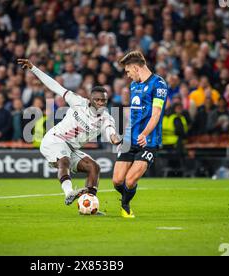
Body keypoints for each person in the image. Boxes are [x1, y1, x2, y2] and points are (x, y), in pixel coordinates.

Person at [18, 58, 122, 208]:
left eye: (103, 101)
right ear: (90, 99)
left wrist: (115, 138)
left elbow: (110, 131)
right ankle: (68, 193)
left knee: (94, 167)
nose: (100, 103)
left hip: (72, 148)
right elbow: (55, 86)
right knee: (64, 160)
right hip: (54, 139)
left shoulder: (106, 118)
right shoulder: (77, 101)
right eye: (97, 100)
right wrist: (33, 68)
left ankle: (89, 204)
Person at [112, 50, 168, 218]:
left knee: (130, 180)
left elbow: (156, 114)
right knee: (117, 181)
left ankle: (125, 205)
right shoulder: (134, 85)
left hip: (148, 141)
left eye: (128, 71)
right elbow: (135, 113)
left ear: (136, 68)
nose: (128, 76)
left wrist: (144, 133)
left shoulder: (159, 84)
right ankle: (126, 197)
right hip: (130, 140)